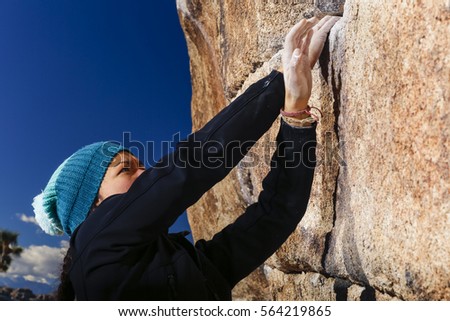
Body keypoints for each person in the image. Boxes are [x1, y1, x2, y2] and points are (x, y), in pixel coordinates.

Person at [32, 16, 339, 300]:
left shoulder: (188, 263)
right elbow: (193, 164)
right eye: (126, 169)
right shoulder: (95, 244)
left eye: (141, 166)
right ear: (94, 205)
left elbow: (276, 214)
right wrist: (279, 82)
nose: (146, 174)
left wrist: (295, 114)